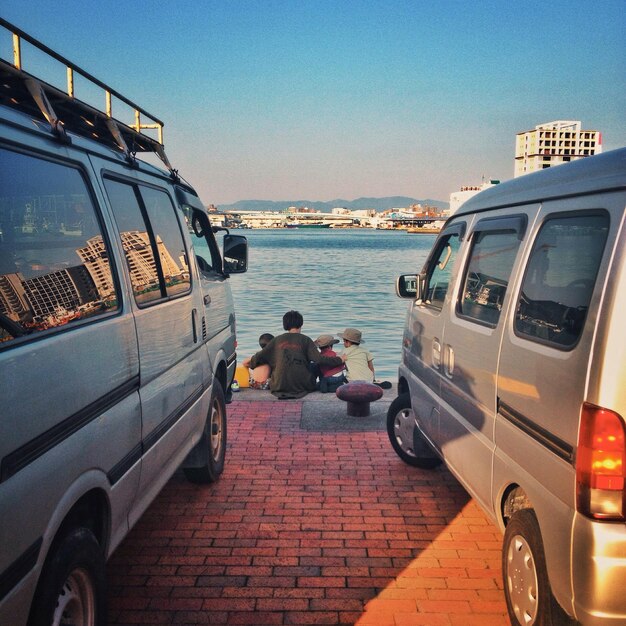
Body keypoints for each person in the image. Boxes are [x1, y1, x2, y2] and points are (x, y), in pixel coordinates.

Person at [248, 310, 343, 399]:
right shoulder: (306, 340)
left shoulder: (276, 340)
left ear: (285, 325)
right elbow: (319, 359)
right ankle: (326, 384)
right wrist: (340, 360)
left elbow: (258, 358)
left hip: (278, 386)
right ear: (300, 324)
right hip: (303, 386)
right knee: (315, 365)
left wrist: (251, 364)